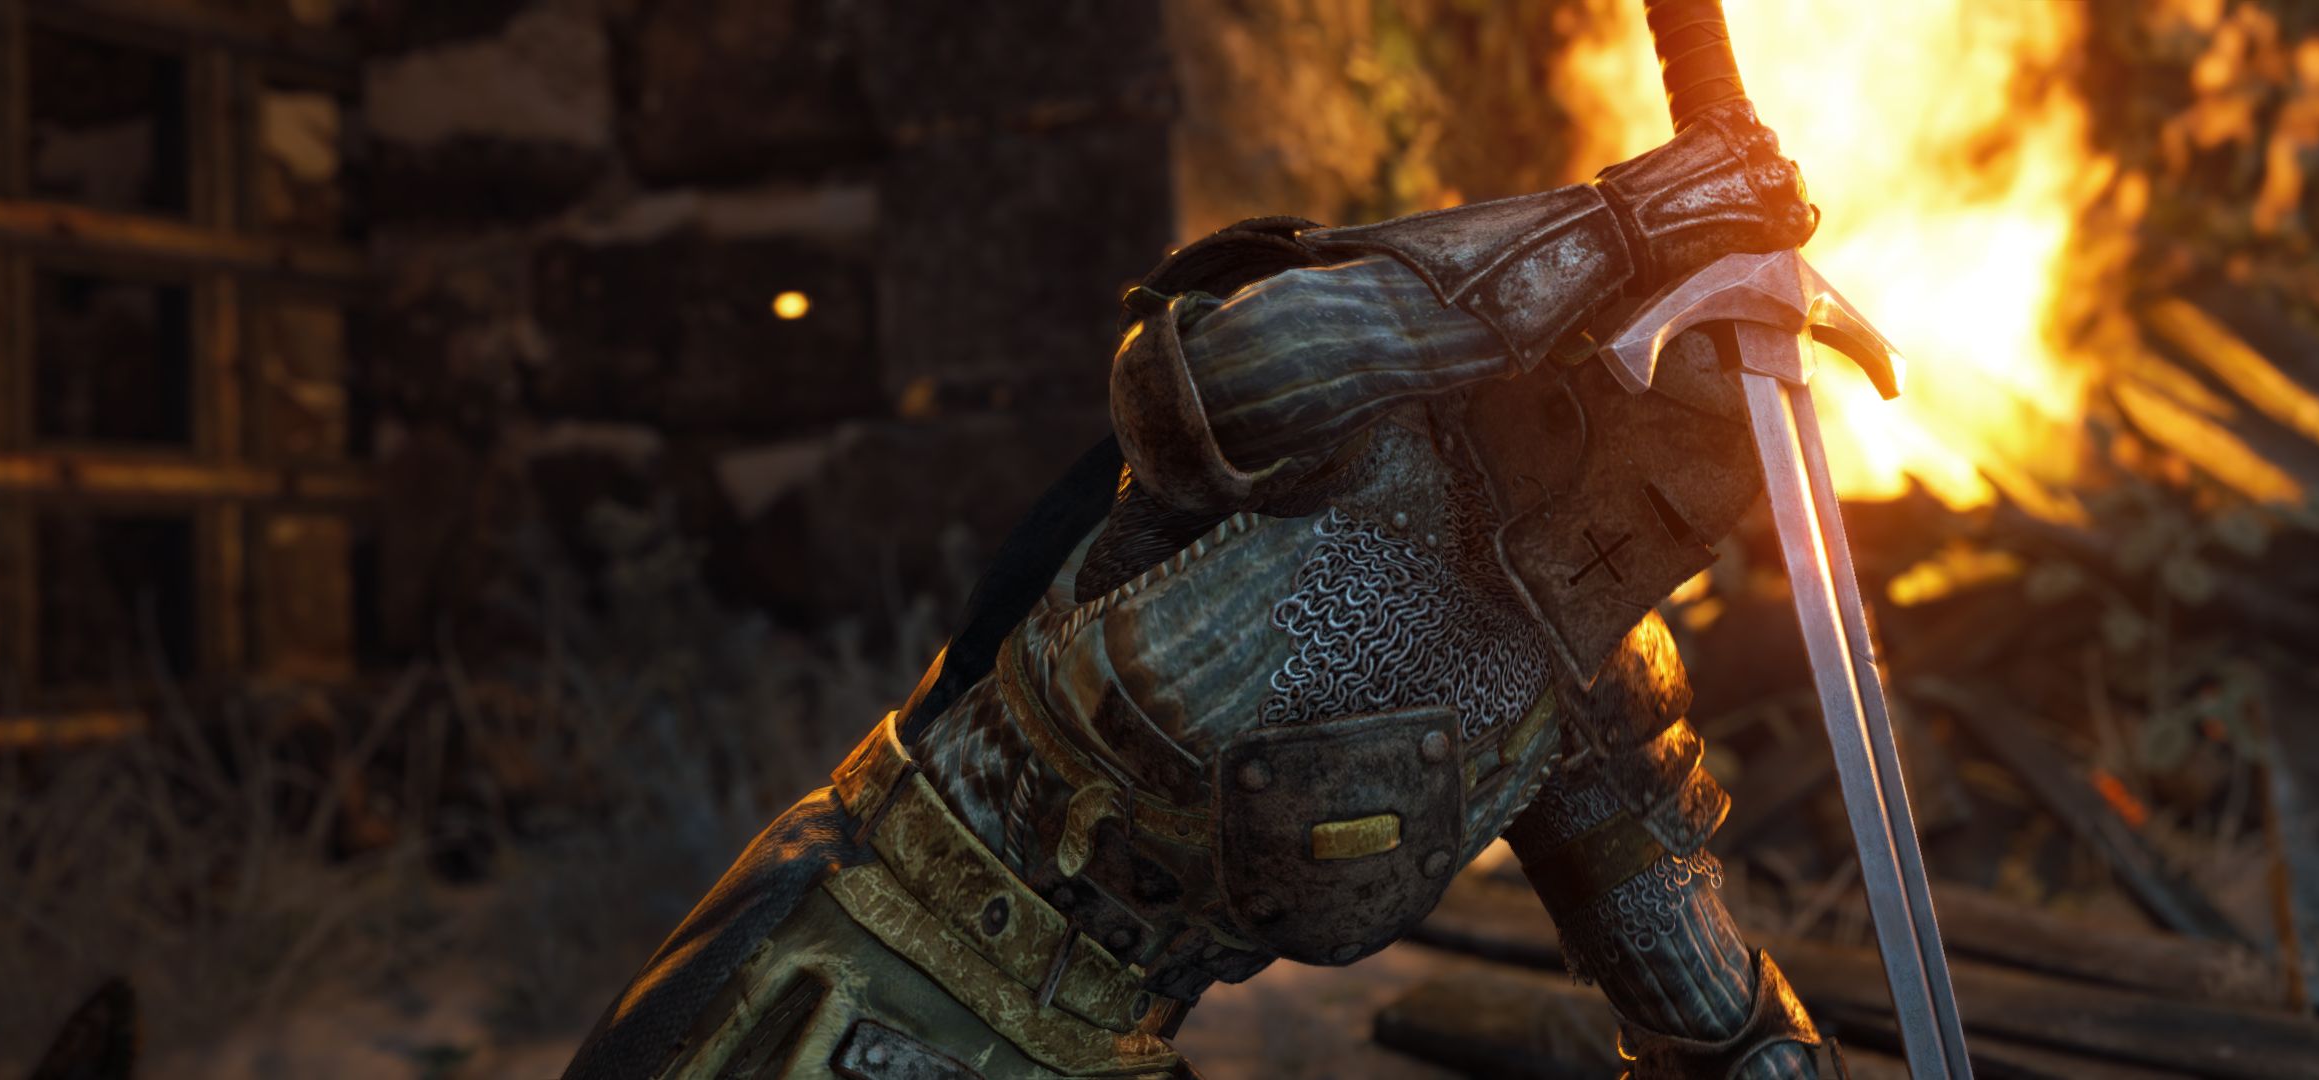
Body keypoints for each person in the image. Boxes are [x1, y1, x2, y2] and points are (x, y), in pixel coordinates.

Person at [559, 101, 1847, 1080]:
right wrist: (1630, 224)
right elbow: (1200, 381)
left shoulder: (1587, 690)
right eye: (1670, 456)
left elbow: (1698, 996)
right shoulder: (1350, 417)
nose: (1670, 525)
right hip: (860, 968)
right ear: (1585, 388)